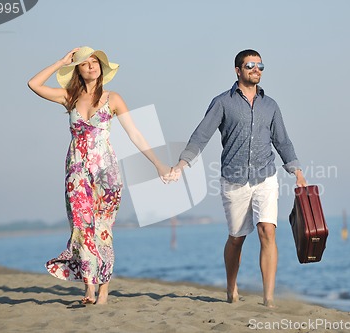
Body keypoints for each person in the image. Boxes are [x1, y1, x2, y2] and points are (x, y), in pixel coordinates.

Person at [28, 46, 174, 305]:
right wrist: (61, 61)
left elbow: (135, 134)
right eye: (85, 63)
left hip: (106, 174)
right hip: (76, 173)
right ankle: (89, 289)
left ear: (102, 69)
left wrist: (157, 164)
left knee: (102, 231)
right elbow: (34, 84)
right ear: (78, 70)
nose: (91, 66)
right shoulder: (68, 97)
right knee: (82, 229)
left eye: (95, 62)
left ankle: (104, 291)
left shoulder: (113, 98)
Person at [173, 49, 307, 307]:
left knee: (267, 230)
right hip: (233, 179)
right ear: (238, 70)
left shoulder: (271, 105)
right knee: (237, 238)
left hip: (265, 176)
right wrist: (182, 163)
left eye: (260, 66)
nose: (256, 70)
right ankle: (231, 288)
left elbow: (283, 142)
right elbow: (201, 135)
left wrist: (297, 172)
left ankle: (268, 298)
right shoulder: (222, 102)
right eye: (250, 65)